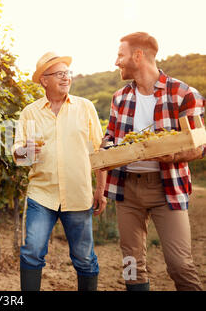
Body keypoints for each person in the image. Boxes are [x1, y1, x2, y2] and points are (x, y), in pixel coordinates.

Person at [103, 32, 205, 291]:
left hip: (166, 187)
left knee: (180, 264)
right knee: (130, 264)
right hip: (126, 189)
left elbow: (200, 145)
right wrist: (102, 151)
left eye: (120, 55)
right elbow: (111, 136)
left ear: (138, 56)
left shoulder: (183, 93)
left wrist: (172, 156)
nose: (117, 62)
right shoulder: (119, 97)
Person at [12, 52, 107, 291]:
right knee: (32, 252)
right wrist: (27, 151)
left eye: (68, 73)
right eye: (60, 74)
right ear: (44, 80)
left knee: (84, 258)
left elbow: (100, 152)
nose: (67, 78)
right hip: (41, 195)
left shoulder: (85, 108)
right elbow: (18, 157)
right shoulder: (29, 113)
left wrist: (101, 190)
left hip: (78, 194)